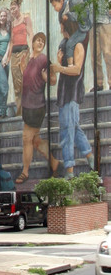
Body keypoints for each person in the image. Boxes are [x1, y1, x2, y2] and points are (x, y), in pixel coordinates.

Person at [51, 12, 93, 177]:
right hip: (64, 90)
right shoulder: (64, 44)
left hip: (72, 90)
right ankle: (89, 154)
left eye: (62, 23)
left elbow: (76, 69)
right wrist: (58, 62)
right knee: (72, 127)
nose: (60, 26)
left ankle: (69, 168)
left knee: (67, 131)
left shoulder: (78, 45)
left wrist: (59, 67)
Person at [15, 31, 59, 182]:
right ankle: (54, 163)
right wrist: (22, 68)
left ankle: (25, 172)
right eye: (38, 40)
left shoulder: (44, 59)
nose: (40, 43)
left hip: (37, 106)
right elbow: (28, 80)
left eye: (43, 41)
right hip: (27, 106)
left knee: (27, 138)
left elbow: (53, 80)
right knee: (36, 141)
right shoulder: (31, 60)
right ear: (32, 43)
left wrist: (47, 78)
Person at [9, 0, 33, 115]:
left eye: (14, 8)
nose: (13, 11)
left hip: (24, 51)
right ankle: (20, 111)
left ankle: (28, 108)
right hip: (14, 53)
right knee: (16, 83)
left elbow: (31, 34)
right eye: (11, 9)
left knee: (25, 80)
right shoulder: (12, 23)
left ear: (19, 6)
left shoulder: (25, 18)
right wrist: (7, 57)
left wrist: (33, 52)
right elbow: (11, 41)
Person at [96, 0, 111, 91]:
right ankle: (98, 83)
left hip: (106, 21)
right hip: (95, 21)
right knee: (95, 55)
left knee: (108, 53)